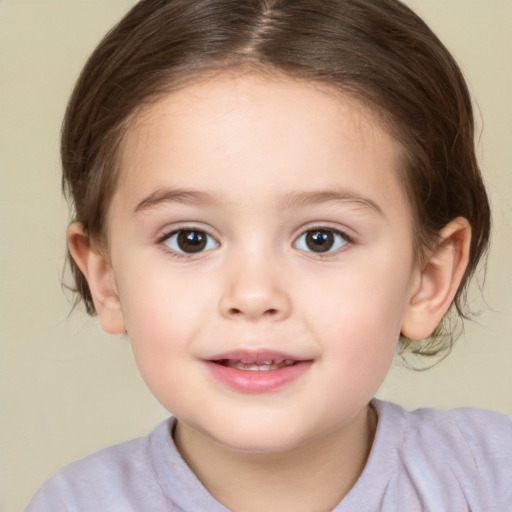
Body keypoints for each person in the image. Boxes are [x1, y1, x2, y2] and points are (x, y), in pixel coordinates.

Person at [25, 0, 512, 510]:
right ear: (105, 279)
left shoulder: (489, 480)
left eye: (321, 238)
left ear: (427, 278)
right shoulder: (76, 502)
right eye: (190, 238)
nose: (254, 295)